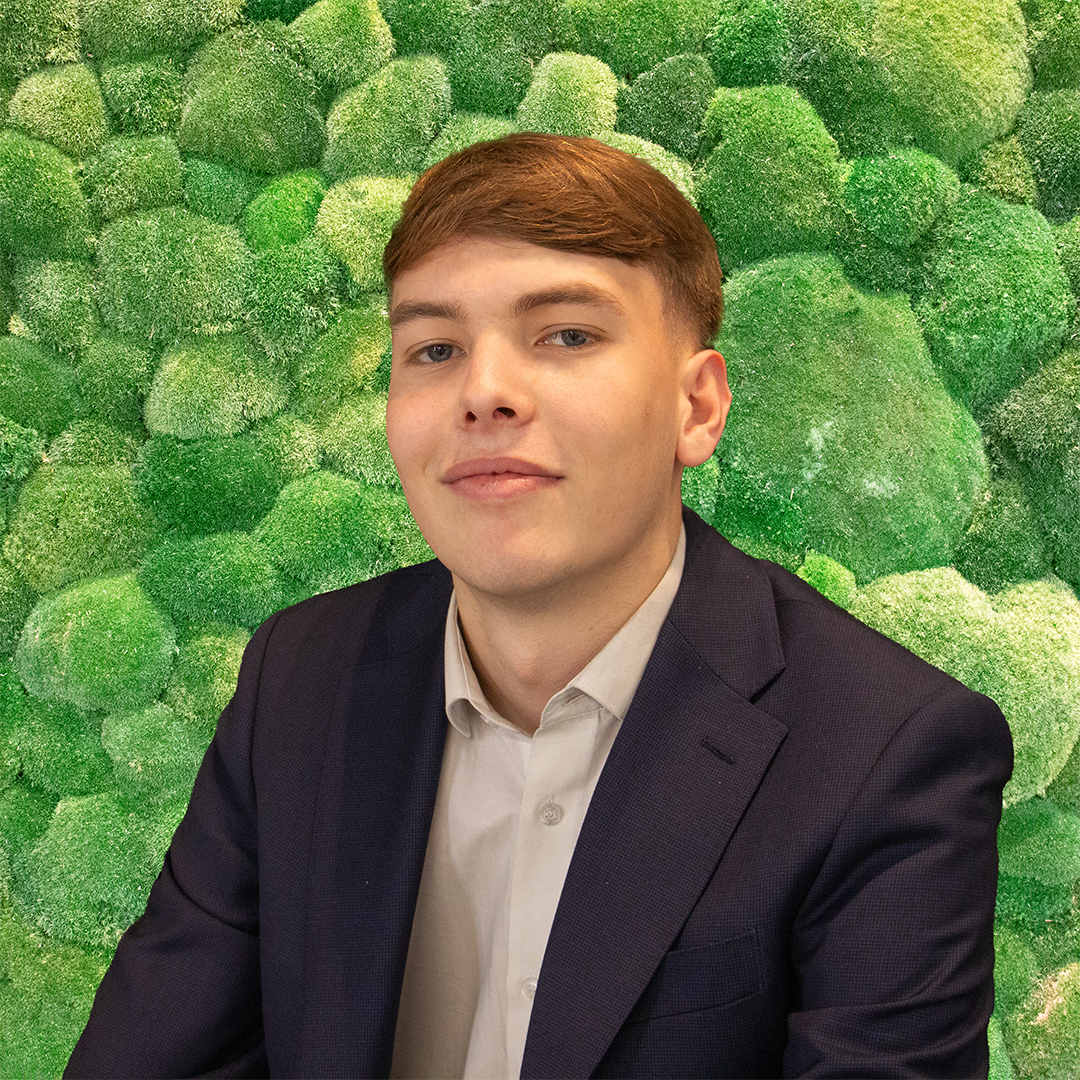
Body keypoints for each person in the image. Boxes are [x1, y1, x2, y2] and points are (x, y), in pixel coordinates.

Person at [65, 132, 1013, 1079]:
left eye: (566, 334)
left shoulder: (890, 753)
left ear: (697, 409)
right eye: (433, 347)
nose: (484, 393)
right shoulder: (298, 676)